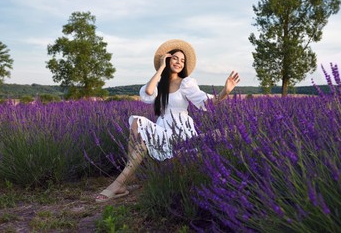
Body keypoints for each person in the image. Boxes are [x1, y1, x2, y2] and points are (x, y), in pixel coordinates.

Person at [95, 39, 240, 202]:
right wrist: (161, 67)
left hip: (182, 132)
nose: (179, 62)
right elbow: (148, 93)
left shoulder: (186, 83)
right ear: (168, 59)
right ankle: (127, 178)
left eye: (182, 60)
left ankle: (120, 183)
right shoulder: (159, 84)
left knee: (230, 132)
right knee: (137, 122)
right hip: (162, 131)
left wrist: (224, 92)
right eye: (175, 58)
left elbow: (205, 102)